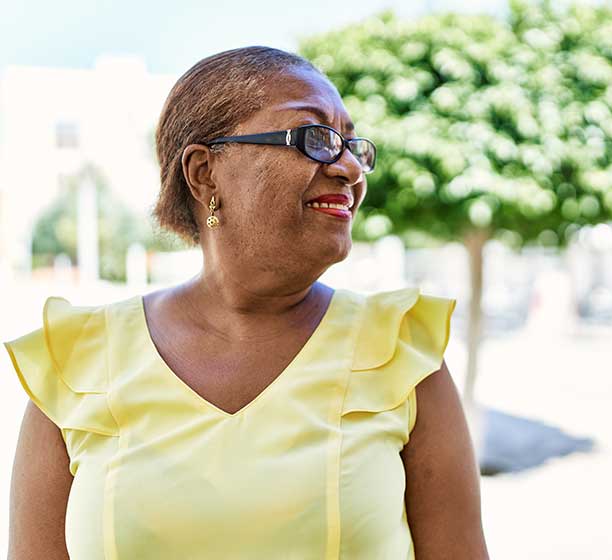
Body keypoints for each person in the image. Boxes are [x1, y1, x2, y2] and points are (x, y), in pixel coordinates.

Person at [4, 46, 488, 559]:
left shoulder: (401, 353)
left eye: (352, 145)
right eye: (316, 138)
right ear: (204, 172)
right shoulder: (75, 362)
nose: (349, 167)